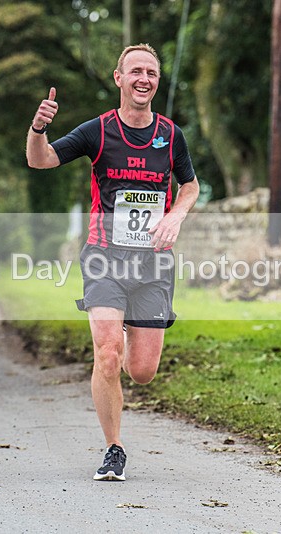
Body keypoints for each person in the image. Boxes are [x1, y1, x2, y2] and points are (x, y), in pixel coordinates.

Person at [26, 43, 200, 481]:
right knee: (107, 355)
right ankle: (114, 448)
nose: (144, 79)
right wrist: (37, 128)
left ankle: (123, 337)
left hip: (153, 265)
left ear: (157, 82)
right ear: (119, 78)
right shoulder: (98, 131)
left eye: (152, 73)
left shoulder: (170, 134)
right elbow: (40, 159)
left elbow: (191, 187)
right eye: (136, 71)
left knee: (141, 372)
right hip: (105, 258)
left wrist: (175, 216)